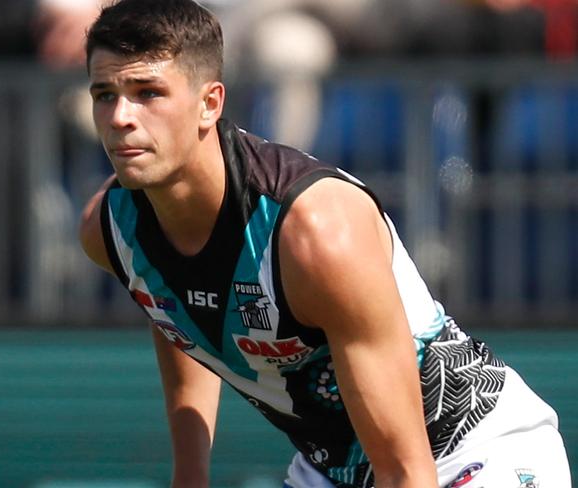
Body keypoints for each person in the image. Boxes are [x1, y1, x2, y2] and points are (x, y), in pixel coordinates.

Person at [78, 1, 571, 486]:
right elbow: (172, 305)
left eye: (148, 92)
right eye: (104, 94)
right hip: (333, 470)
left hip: (473, 454)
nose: (121, 116)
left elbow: (406, 471)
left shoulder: (315, 231)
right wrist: (190, 473)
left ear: (210, 103)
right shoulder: (110, 228)